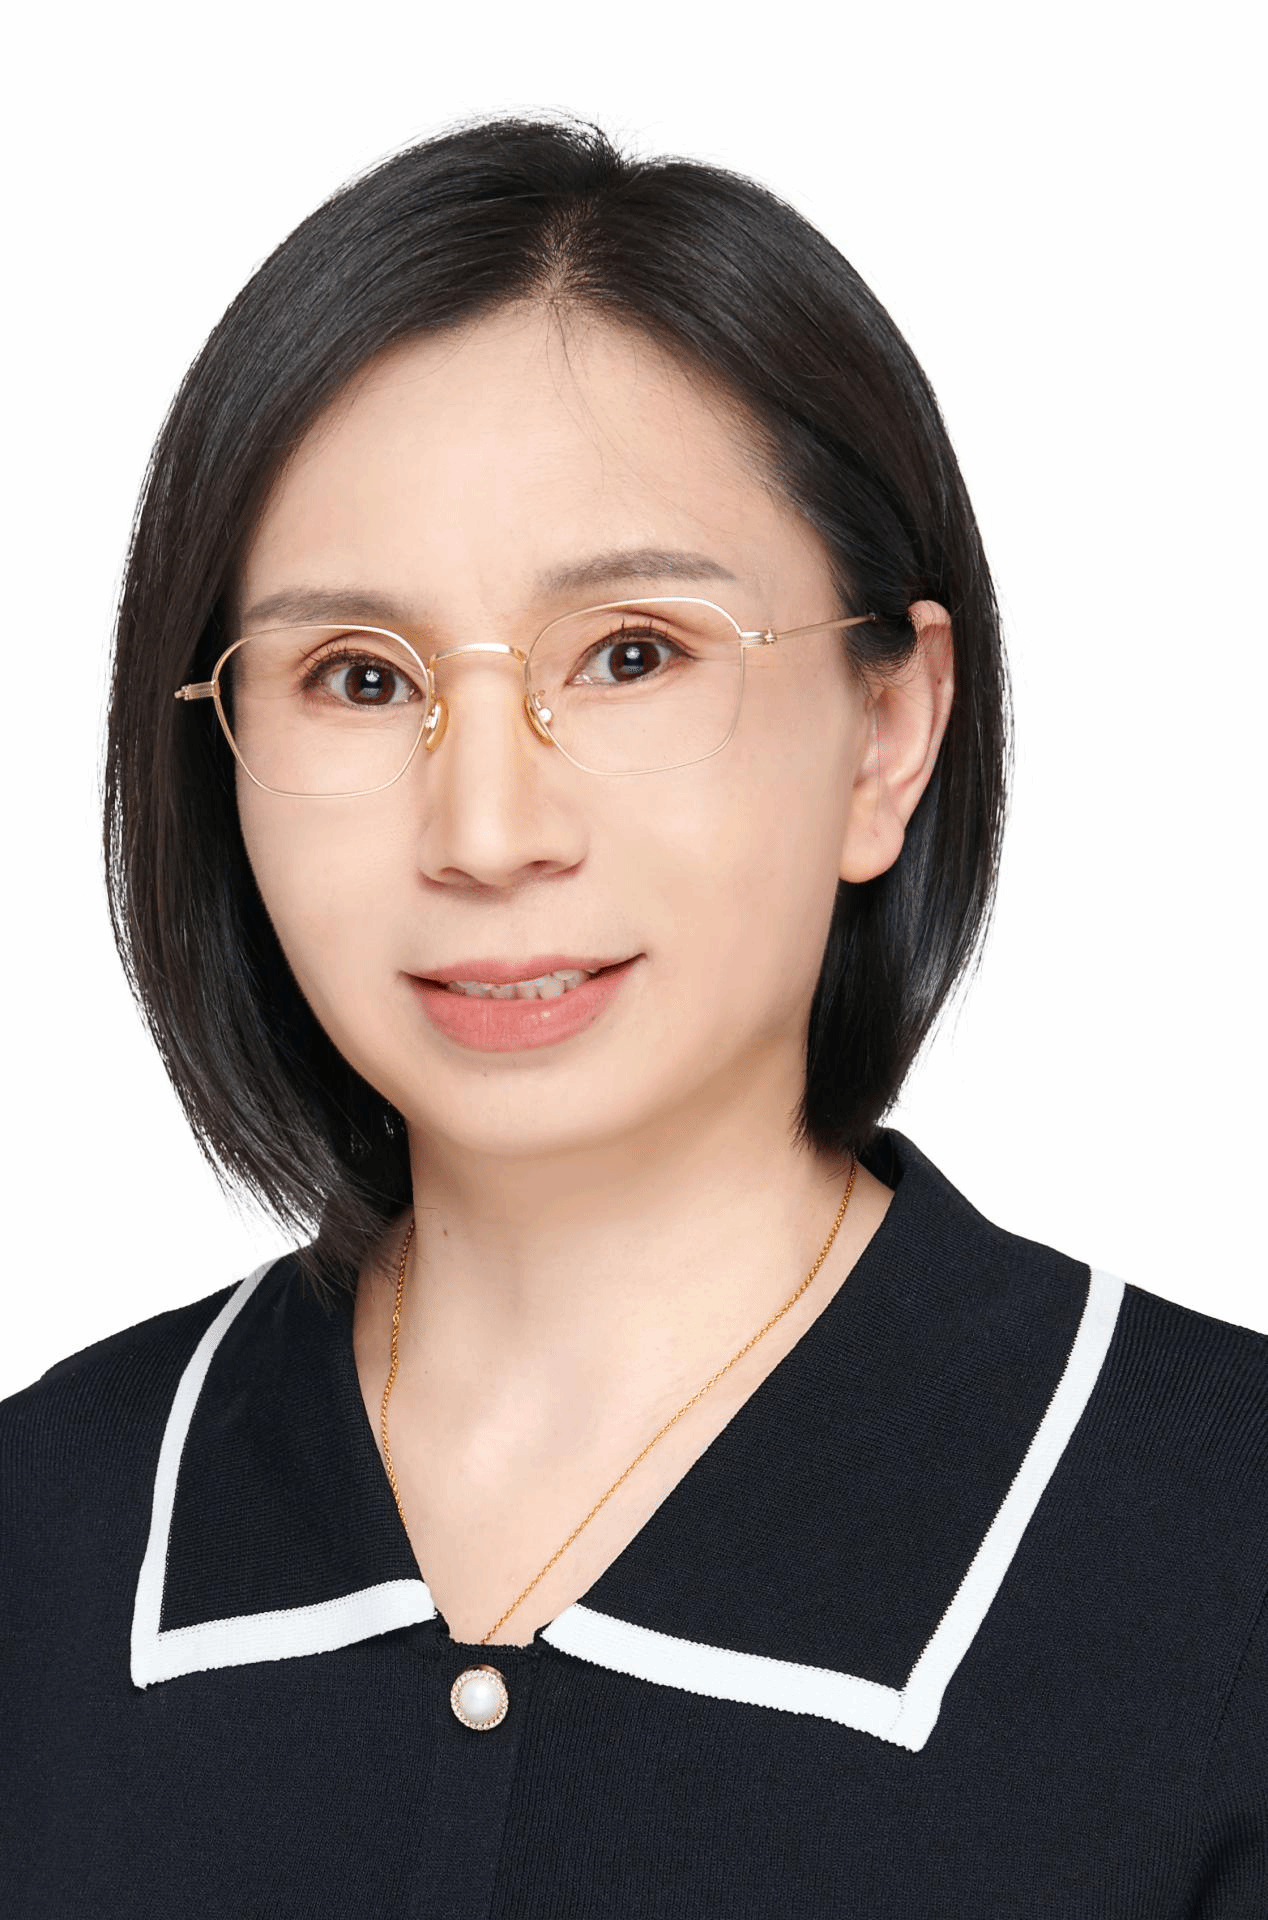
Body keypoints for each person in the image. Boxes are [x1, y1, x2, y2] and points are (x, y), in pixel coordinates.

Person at [2, 112, 1264, 1917]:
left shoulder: (1215, 1544)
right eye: (358, 678)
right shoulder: (48, 1534)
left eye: (631, 654)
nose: (486, 830)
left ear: (889, 730)